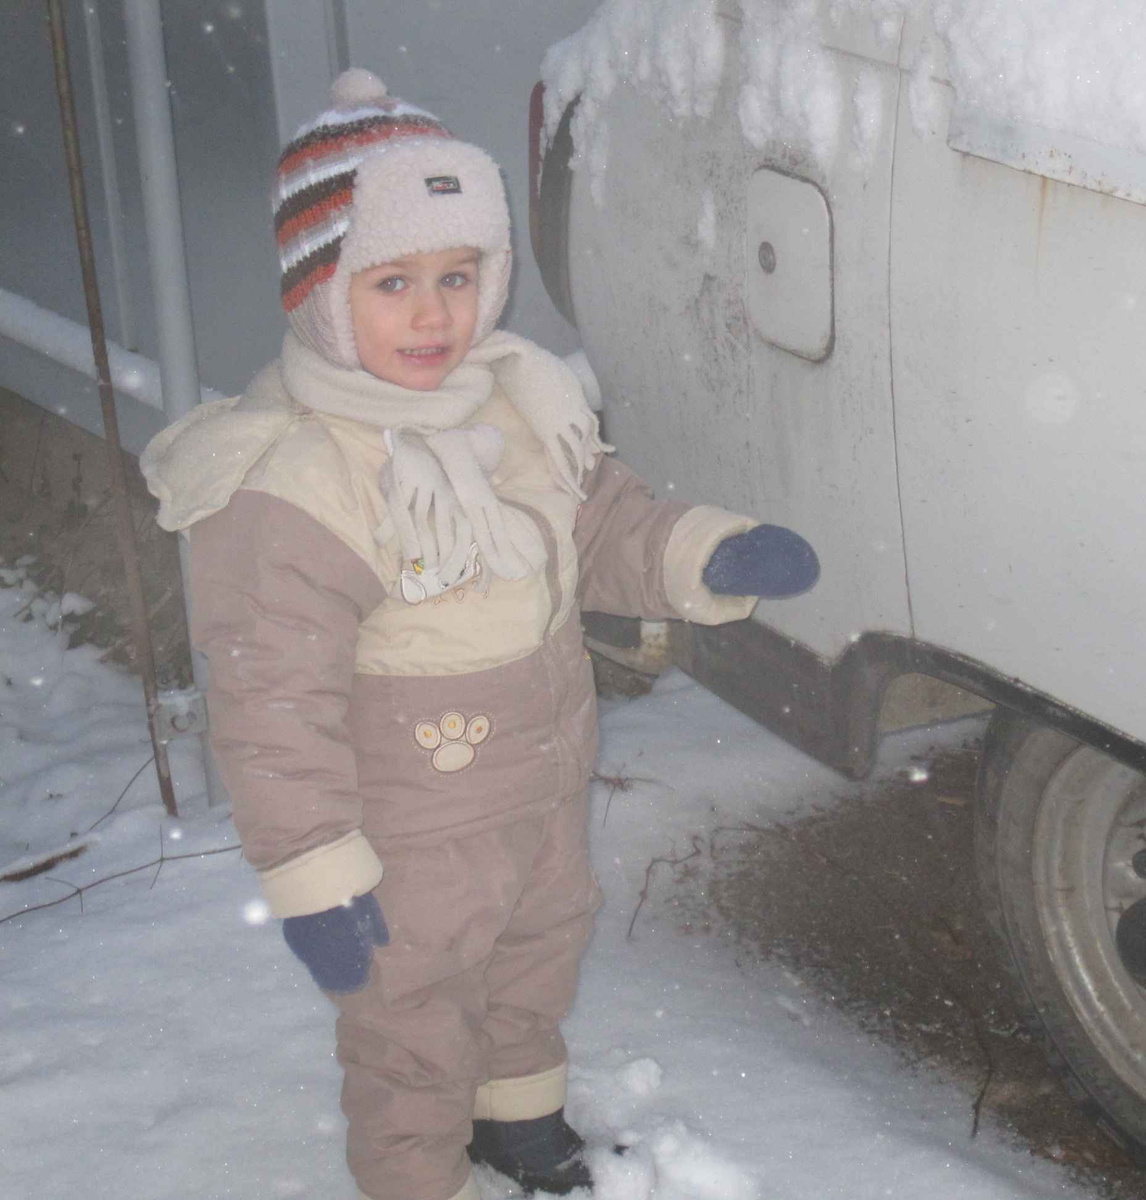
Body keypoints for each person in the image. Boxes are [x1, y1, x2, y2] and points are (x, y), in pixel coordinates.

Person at [140, 68, 818, 1200]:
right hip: (409, 830)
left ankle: (514, 1120)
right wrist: (312, 872)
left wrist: (701, 553)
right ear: (320, 293)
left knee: (532, 965)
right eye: (392, 281)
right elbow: (272, 703)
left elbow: (602, 523)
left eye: (459, 277)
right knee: (412, 1026)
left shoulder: (518, 402)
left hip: (542, 787)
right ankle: (416, 1179)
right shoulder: (298, 478)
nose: (434, 315)